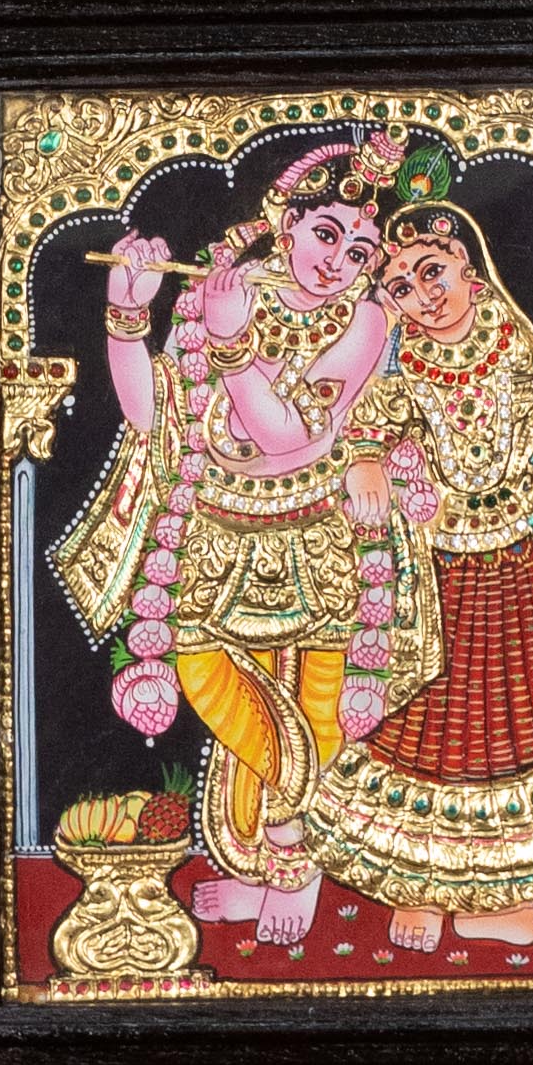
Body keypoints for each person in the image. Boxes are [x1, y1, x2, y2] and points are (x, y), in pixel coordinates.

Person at [52, 131, 429, 948]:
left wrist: (232, 347)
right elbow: (153, 416)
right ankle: (274, 859)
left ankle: (290, 858)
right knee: (211, 682)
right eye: (324, 233)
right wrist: (128, 314)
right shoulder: (225, 290)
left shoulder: (364, 319)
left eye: (358, 250)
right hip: (212, 533)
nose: (335, 261)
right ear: (285, 223)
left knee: (317, 712)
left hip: (317, 538)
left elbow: (288, 433)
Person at [300, 202, 533, 951]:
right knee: (426, 734)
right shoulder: (399, 369)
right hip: (434, 588)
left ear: (469, 270)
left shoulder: (513, 350)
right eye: (399, 287)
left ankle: (485, 906)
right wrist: (367, 465)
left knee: (511, 734)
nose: (422, 294)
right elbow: (362, 432)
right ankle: (420, 894)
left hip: (516, 579)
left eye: (431, 271)